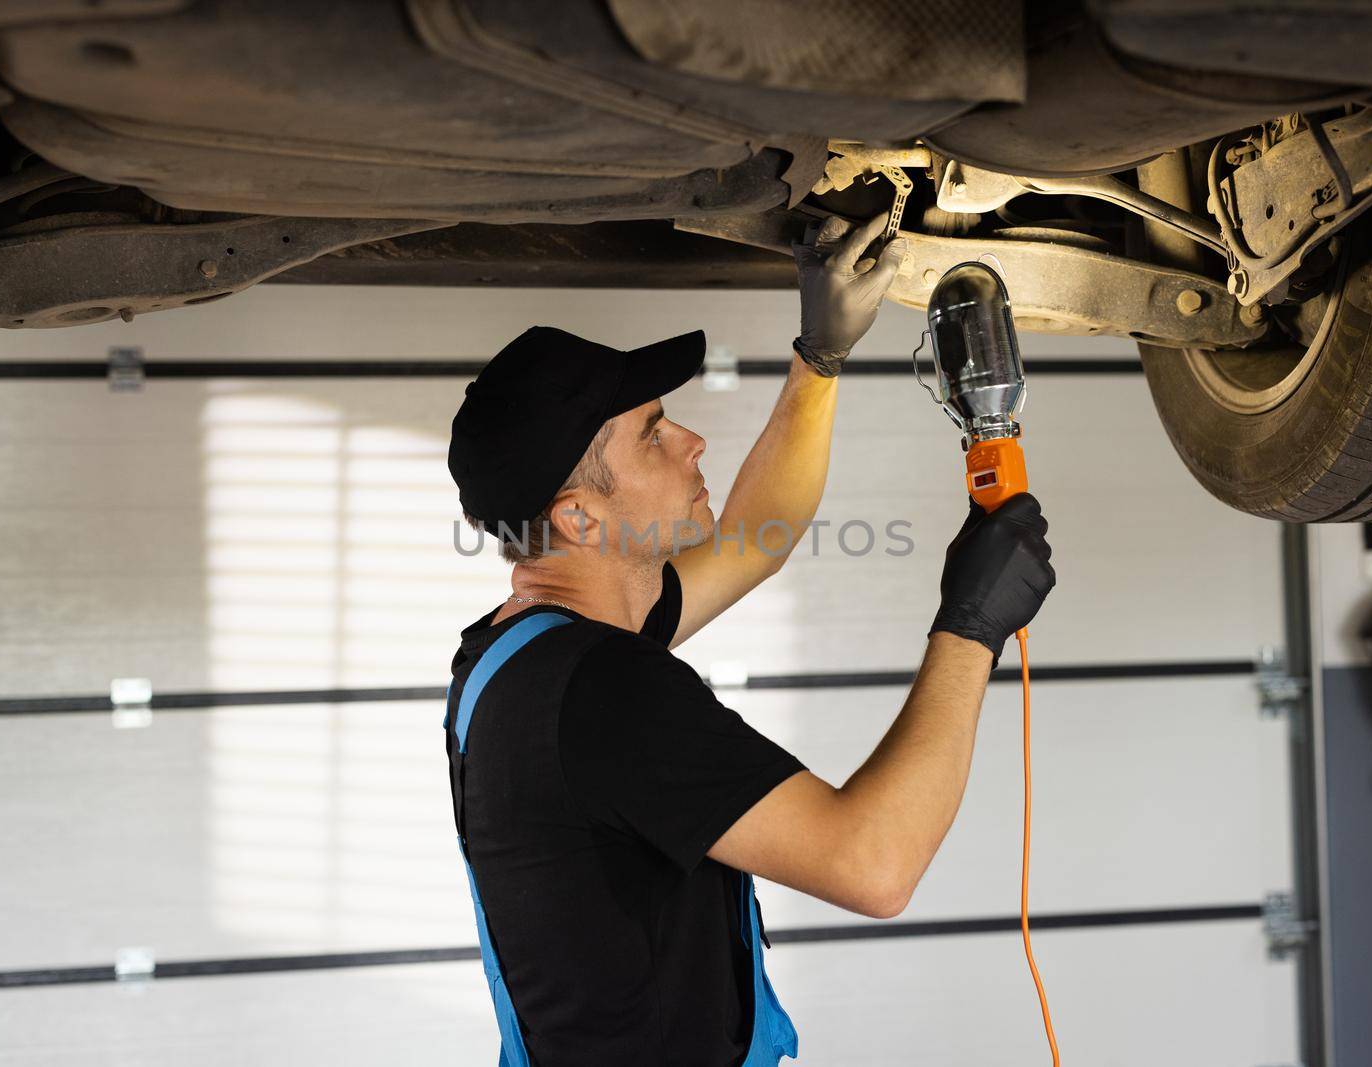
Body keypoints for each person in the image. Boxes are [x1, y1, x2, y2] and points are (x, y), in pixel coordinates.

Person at [443, 213, 1057, 1065]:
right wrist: (972, 626)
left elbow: (754, 537)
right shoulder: (605, 696)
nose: (693, 438)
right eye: (654, 432)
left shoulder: (513, 659)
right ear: (579, 515)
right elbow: (875, 863)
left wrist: (821, 355)